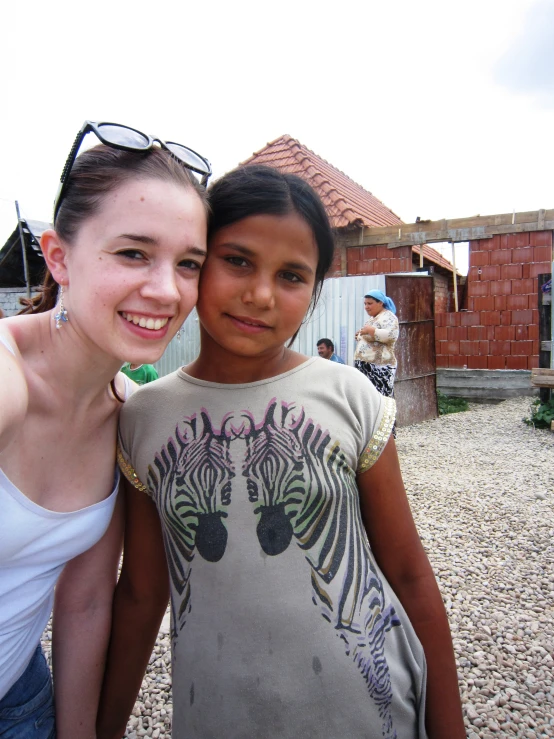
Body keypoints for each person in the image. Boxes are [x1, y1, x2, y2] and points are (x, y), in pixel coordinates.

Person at [99, 165, 464, 739]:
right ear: (196, 263)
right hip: (217, 712)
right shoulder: (145, 417)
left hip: (368, 712)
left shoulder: (349, 397)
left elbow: (409, 575)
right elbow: (143, 593)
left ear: (314, 290)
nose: (260, 294)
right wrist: (102, 727)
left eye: (292, 275)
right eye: (237, 260)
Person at [0, 120, 210, 739]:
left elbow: (87, 599)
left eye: (188, 263)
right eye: (133, 252)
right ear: (59, 257)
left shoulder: (129, 414)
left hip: (21, 697)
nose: (166, 290)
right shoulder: (8, 381)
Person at [354, 290, 399, 398]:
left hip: (380, 367)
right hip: (365, 365)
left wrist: (372, 331)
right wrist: (359, 336)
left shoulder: (389, 317)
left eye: (370, 303)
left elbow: (392, 335)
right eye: (365, 304)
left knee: (380, 399)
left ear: (380, 303)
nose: (366, 307)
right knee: (366, 399)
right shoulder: (372, 319)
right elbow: (368, 337)